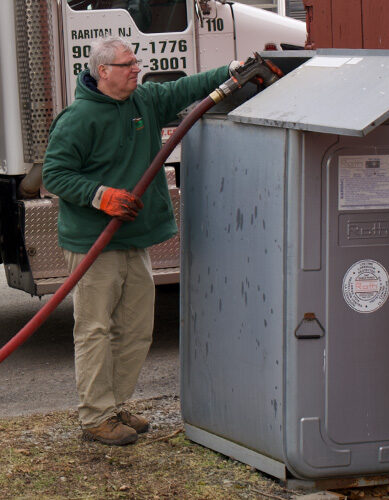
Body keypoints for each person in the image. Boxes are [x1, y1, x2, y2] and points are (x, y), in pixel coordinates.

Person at [43, 36, 232, 446]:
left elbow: (186, 88)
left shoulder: (143, 102)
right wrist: (102, 195)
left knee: (136, 327)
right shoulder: (78, 119)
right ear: (103, 72)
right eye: (128, 64)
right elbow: (54, 175)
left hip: (133, 238)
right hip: (94, 241)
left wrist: (233, 70)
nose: (137, 68)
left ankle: (115, 405)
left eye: (136, 61)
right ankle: (96, 416)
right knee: (94, 328)